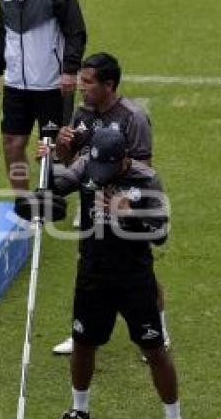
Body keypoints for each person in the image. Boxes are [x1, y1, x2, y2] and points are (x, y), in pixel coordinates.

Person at [28, 128, 190, 419]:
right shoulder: (87, 164)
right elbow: (56, 187)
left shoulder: (147, 180)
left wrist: (129, 215)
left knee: (155, 350)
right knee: (83, 344)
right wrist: (46, 173)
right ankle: (79, 409)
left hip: (134, 279)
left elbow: (160, 233)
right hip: (92, 276)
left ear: (125, 159)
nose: (98, 177)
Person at [49, 52, 171, 355]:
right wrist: (63, 147)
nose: (81, 88)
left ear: (109, 85)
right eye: (81, 81)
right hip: (92, 205)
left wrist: (124, 207)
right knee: (87, 267)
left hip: (124, 206)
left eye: (88, 83)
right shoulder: (82, 113)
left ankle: (159, 330)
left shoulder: (133, 117)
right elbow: (73, 163)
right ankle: (80, 334)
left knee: (141, 271)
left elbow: (144, 168)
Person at [0, 0, 87, 191]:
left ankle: (88, 192)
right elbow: (2, 29)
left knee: (61, 147)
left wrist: (70, 70)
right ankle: (23, 205)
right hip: (17, 84)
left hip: (52, 84)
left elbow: (75, 30)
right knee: (12, 143)